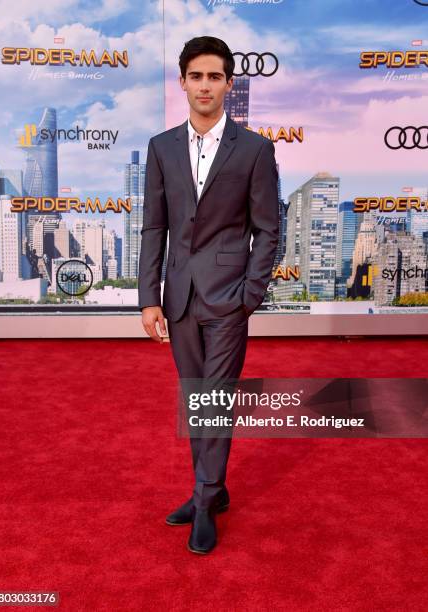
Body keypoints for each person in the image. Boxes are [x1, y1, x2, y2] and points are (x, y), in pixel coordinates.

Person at [138, 36, 279, 554]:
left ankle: (203, 502)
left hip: (228, 298)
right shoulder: (161, 147)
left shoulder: (255, 149)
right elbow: (154, 227)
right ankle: (212, 491)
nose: (205, 85)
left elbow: (268, 228)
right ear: (182, 82)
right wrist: (148, 298)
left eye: (214, 76)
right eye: (196, 76)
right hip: (177, 297)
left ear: (228, 83)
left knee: (214, 401)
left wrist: (251, 292)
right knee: (198, 398)